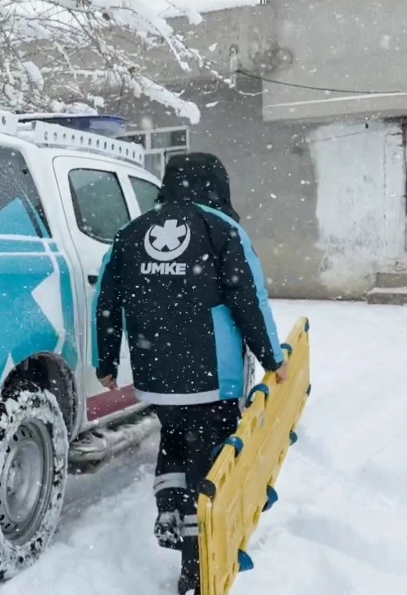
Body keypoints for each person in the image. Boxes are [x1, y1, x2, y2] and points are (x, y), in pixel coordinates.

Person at [91, 152, 287, 595]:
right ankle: (199, 563)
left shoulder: (131, 232)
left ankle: (172, 510)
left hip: (157, 377)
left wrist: (106, 361)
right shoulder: (222, 229)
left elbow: (106, 299)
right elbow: (249, 300)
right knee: (212, 463)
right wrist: (273, 359)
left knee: (175, 439)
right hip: (213, 375)